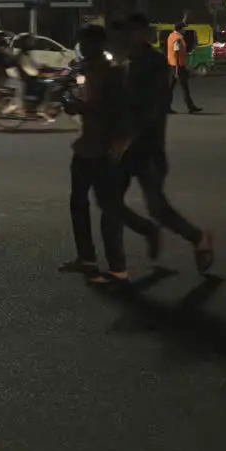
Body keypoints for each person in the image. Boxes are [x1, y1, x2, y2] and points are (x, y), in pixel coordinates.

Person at [60, 24, 160, 284]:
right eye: (81, 43)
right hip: (86, 147)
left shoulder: (114, 74)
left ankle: (119, 268)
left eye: (86, 43)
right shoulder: (87, 70)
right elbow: (91, 105)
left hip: (106, 150)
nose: (82, 48)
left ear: (98, 45)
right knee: (79, 203)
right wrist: (76, 106)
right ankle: (88, 259)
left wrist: (121, 142)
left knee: (109, 209)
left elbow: (121, 111)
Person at [115, 14, 215, 275]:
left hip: (146, 148)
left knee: (157, 208)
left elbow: (152, 110)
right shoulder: (126, 62)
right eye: (125, 31)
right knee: (109, 201)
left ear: (143, 33)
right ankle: (120, 261)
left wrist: (129, 138)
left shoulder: (153, 63)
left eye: (132, 31)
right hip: (124, 146)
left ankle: (198, 238)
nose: (127, 36)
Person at [165, 22, 202, 114]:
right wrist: (177, 70)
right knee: (184, 88)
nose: (185, 30)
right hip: (178, 66)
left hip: (172, 64)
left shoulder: (171, 36)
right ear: (180, 29)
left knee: (170, 88)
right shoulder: (178, 38)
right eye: (184, 29)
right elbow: (176, 52)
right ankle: (191, 107)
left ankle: (166, 107)